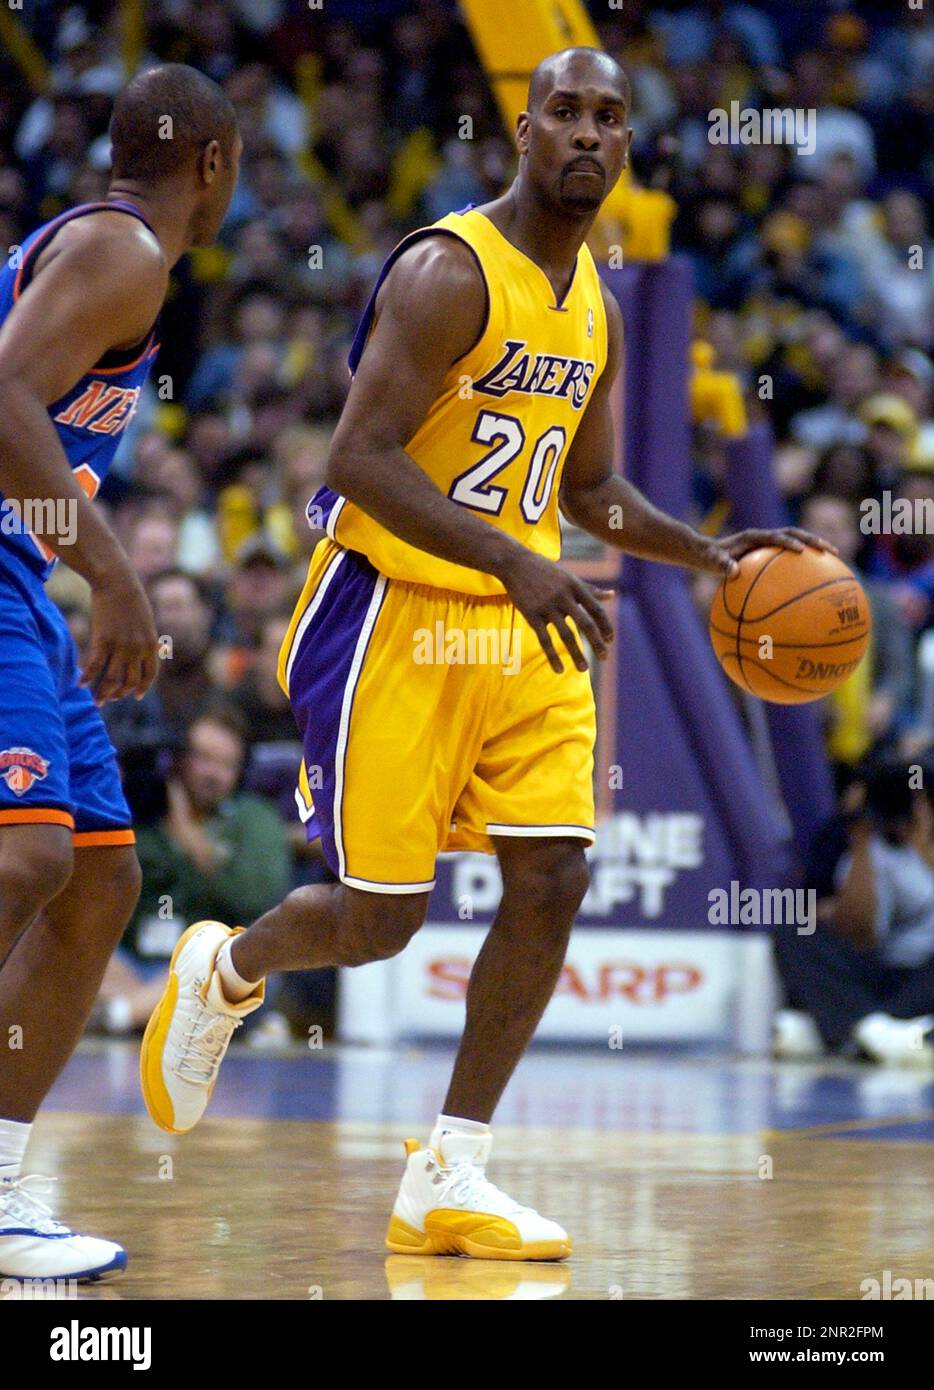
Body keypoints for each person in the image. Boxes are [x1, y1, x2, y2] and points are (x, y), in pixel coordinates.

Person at [141, 47, 828, 1262]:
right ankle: (226, 969)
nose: (585, 132)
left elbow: (592, 484)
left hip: (521, 630)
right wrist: (513, 558)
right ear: (523, 129)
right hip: (394, 610)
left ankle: (450, 1169)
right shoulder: (449, 270)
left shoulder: (595, 308)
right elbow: (356, 457)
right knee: (380, 920)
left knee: (553, 875)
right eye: (564, 110)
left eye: (608, 118)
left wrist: (703, 554)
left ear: (626, 148)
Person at [0, 63, 241, 1280]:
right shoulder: (127, 252)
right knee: (28, 856)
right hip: (8, 572)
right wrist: (121, 574)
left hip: (23, 586)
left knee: (99, 878)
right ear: (214, 163)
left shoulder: (100, 246)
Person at [774, 756, 934, 1064]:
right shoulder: (861, 846)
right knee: (795, 931)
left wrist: (923, 844)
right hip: (875, 972)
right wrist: (861, 844)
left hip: (925, 976)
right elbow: (860, 934)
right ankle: (874, 1030)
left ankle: (847, 1029)